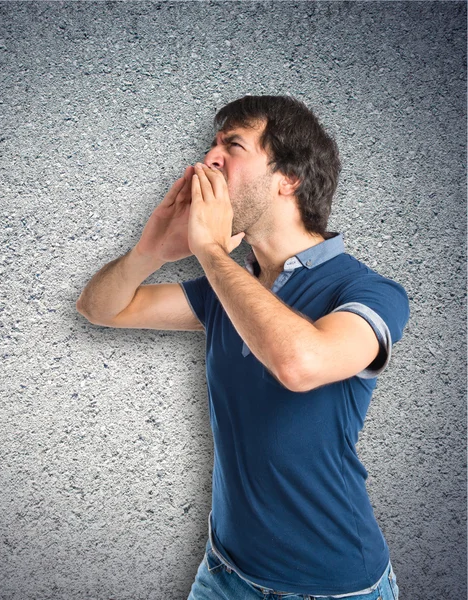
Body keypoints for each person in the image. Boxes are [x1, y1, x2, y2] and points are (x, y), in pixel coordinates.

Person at [76, 95, 407, 600]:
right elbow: (100, 308)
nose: (209, 158)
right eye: (213, 144)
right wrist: (150, 251)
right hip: (225, 572)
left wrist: (209, 250)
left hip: (331, 587)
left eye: (232, 145)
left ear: (288, 177)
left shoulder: (367, 291)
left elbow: (300, 364)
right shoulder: (225, 290)